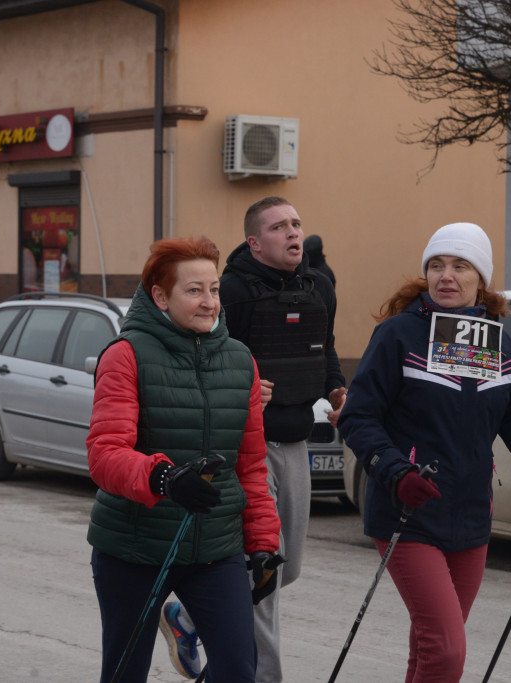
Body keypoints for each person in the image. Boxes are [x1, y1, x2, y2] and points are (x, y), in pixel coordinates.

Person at [337, 222, 511, 682]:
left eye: (461, 266)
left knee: (431, 645)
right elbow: (359, 419)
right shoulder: (398, 336)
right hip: (408, 511)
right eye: (437, 265)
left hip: (471, 517)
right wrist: (397, 471)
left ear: (481, 279)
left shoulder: (502, 348)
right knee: (445, 649)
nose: (447, 276)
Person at [161, 197, 346, 682]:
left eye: (296, 224)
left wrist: (336, 387)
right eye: (279, 226)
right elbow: (204, 356)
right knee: (261, 572)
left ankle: (188, 618)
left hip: (297, 445)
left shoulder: (319, 286)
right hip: (248, 451)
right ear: (254, 242)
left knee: (288, 569)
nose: (293, 234)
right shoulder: (234, 293)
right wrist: (242, 387)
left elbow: (323, 346)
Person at [86, 236, 281, 682]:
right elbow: (104, 453)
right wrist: (164, 478)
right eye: (194, 290)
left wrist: (264, 544)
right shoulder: (126, 355)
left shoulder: (239, 360)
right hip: (135, 549)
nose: (209, 302)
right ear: (160, 296)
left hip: (216, 550)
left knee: (237, 670)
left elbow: (250, 465)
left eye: (213, 290)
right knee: (125, 673)